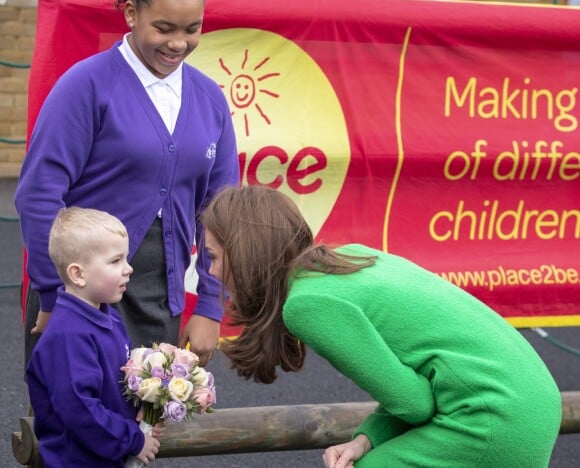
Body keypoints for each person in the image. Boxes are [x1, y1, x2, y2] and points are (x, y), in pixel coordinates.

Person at [200, 185, 562, 468]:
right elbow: (418, 385)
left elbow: (414, 403)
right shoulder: (350, 257)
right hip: (535, 399)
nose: (212, 272)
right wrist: (366, 438)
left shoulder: (306, 306)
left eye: (214, 257)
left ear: (245, 252)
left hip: (494, 419)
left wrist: (367, 441)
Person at [15, 0, 239, 367]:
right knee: (73, 430)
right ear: (132, 14)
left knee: (145, 433)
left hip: (160, 299)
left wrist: (212, 307)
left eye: (191, 29)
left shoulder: (210, 100)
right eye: (164, 28)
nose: (178, 43)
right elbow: (38, 195)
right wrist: (55, 297)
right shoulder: (86, 86)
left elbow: (224, 214)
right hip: (79, 296)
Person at [26, 207, 162, 467]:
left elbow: (124, 375)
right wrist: (132, 440)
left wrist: (143, 403)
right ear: (78, 274)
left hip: (106, 456)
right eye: (115, 261)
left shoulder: (107, 315)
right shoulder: (68, 335)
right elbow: (80, 410)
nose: (128, 268)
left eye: (126, 258)